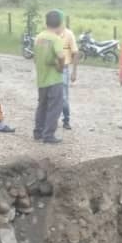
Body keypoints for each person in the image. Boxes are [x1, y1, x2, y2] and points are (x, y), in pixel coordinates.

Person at [33, 10, 65, 144]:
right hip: (54, 80)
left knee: (42, 106)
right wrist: (60, 67)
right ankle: (48, 135)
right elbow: (61, 56)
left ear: (46, 22)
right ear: (60, 23)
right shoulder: (56, 39)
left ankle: (38, 132)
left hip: (41, 79)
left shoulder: (39, 37)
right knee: (54, 107)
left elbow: (35, 58)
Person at [59, 13, 79, 130]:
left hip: (64, 68)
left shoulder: (68, 34)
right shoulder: (50, 33)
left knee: (64, 97)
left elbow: (76, 52)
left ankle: (66, 119)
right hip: (51, 68)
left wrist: (74, 72)